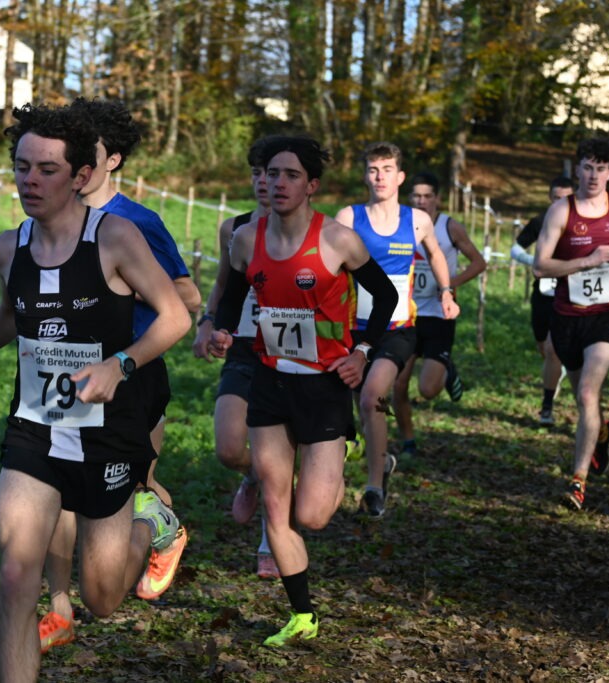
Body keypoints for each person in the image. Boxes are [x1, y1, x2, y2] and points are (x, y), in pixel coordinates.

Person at [0, 103, 190, 681]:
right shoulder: (8, 247)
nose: (31, 180)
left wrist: (120, 363)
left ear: (79, 175)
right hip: (35, 427)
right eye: (22, 167)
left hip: (108, 433)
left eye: (47, 169)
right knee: (16, 574)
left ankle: (153, 525)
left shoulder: (114, 237)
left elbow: (176, 316)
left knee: (102, 597)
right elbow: (10, 314)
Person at [207, 135, 398, 646]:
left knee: (311, 514)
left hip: (325, 385)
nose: (278, 183)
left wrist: (362, 352)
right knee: (276, 505)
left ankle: (339, 455)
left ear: (311, 185)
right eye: (272, 173)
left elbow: (385, 296)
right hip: (270, 381)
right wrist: (223, 329)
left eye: (291, 175)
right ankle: (302, 615)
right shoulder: (245, 239)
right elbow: (234, 297)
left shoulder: (338, 240)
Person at [38, 97, 200, 653]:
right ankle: (58, 609)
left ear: (112, 161)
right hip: (64, 376)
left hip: (132, 378)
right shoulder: (49, 219)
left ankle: (159, 524)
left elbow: (187, 296)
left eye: (92, 151)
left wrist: (121, 294)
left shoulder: (137, 223)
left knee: (128, 495)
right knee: (55, 490)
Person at [334, 142, 459, 520]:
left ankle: (374, 488)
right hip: (354, 329)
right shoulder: (349, 217)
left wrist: (446, 291)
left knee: (373, 396)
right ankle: (381, 459)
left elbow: (436, 254)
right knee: (358, 400)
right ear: (365, 176)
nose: (380, 177)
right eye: (373, 169)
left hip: (398, 329)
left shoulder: (417, 220)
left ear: (400, 176)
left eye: (387, 169)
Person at [533, 137, 609, 511]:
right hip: (567, 317)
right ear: (577, 169)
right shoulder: (561, 211)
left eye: (601, 168)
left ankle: (578, 481)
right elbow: (540, 266)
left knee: (588, 394)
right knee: (582, 396)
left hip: (607, 315)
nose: (594, 175)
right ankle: (601, 432)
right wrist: (586, 261)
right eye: (588, 167)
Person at [192, 136, 278, 579]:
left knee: (275, 450)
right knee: (230, 449)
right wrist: (208, 324)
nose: (263, 181)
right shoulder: (234, 229)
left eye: (272, 173)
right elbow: (224, 288)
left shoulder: (309, 232)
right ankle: (252, 477)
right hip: (243, 348)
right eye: (256, 173)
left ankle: (271, 541)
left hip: (288, 353)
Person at [392, 171, 485, 458]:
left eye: (427, 196)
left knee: (428, 390)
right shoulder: (399, 224)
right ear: (409, 198)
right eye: (416, 196)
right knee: (398, 384)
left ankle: (447, 369)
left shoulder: (450, 227)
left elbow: (478, 262)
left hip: (438, 315)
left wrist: (449, 284)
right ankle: (408, 441)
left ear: (438, 199)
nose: (421, 201)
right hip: (406, 315)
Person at [511, 176, 576, 424]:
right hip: (543, 292)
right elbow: (515, 249)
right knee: (543, 346)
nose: (561, 203)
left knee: (552, 348)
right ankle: (554, 372)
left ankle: (546, 407)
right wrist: (537, 263)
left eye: (566, 198)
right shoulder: (540, 221)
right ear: (550, 198)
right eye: (556, 198)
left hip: (568, 293)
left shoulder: (580, 224)